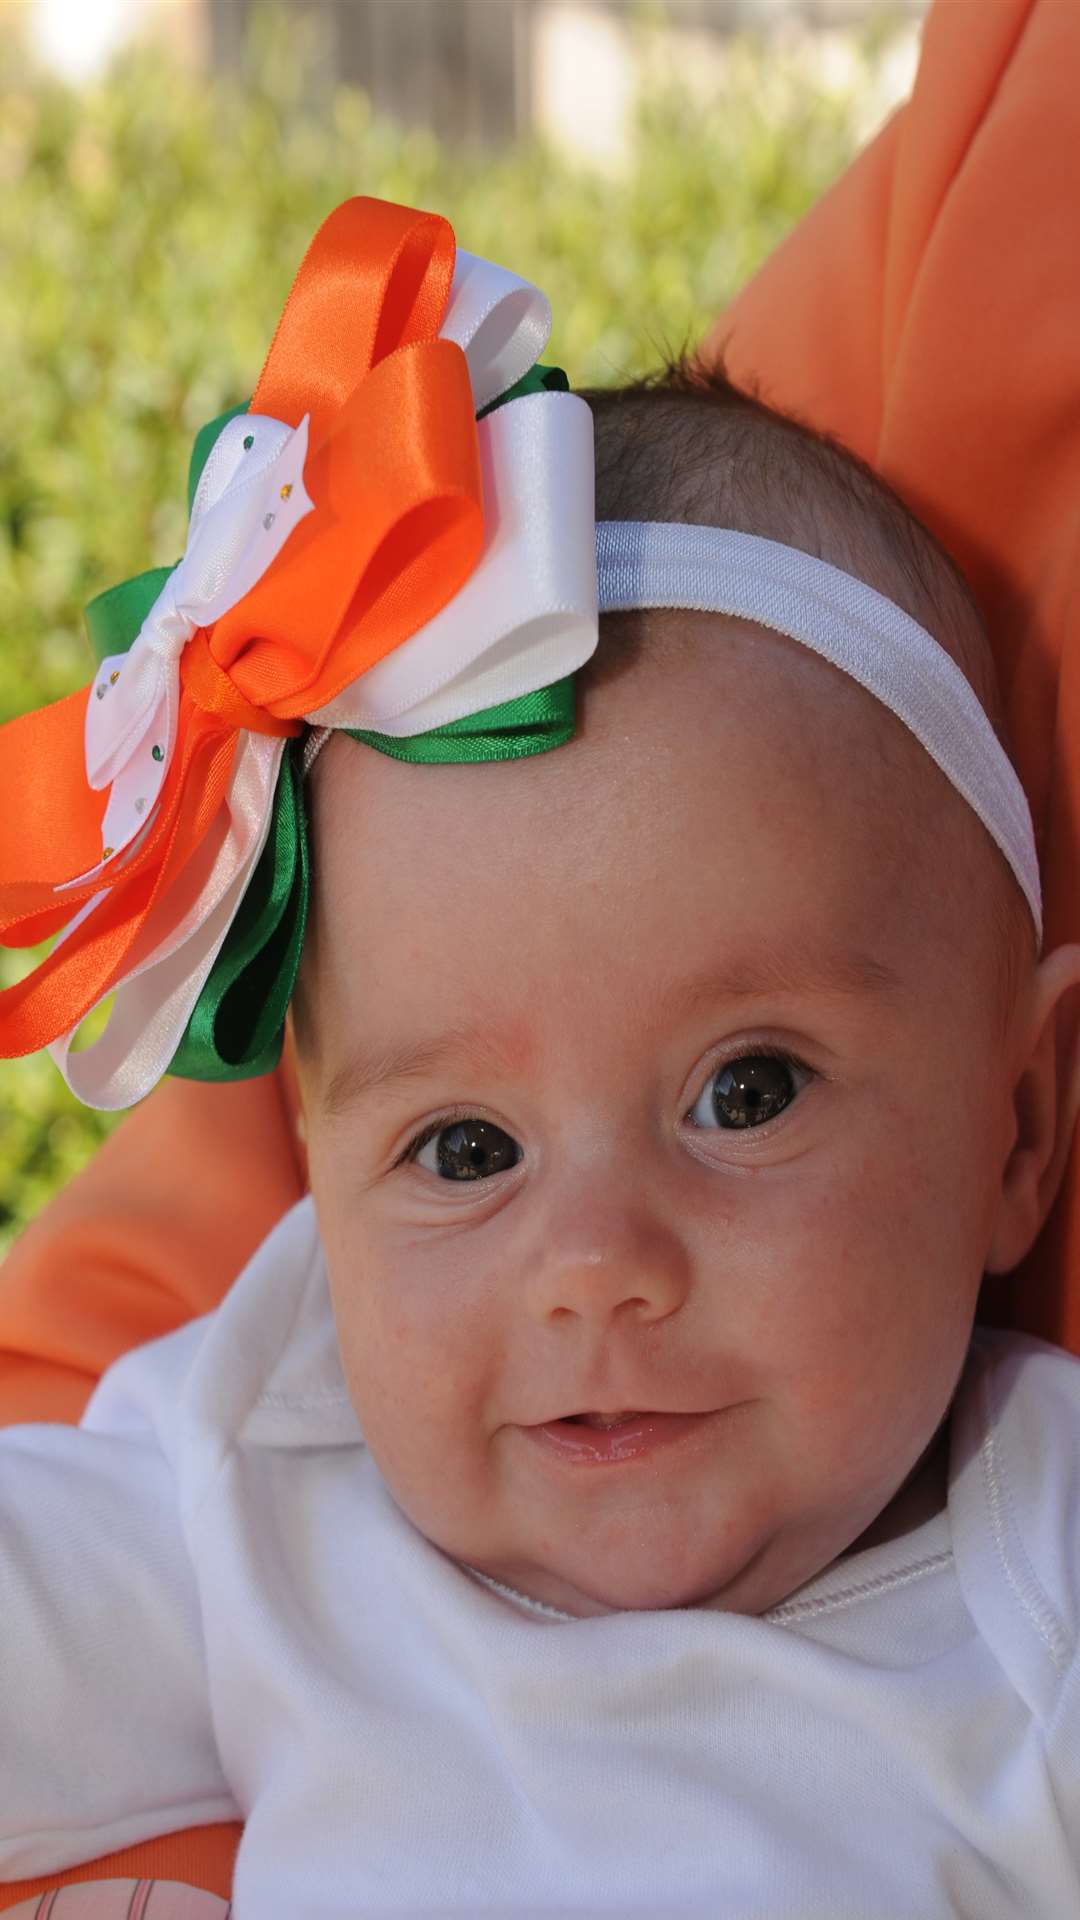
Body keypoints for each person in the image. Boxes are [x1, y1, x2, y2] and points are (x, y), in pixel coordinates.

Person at [2, 183, 1080, 1916]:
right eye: (464, 1150)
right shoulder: (273, 1483)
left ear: (1019, 1124)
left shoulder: (1037, 1570)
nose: (595, 1270)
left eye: (746, 1093)